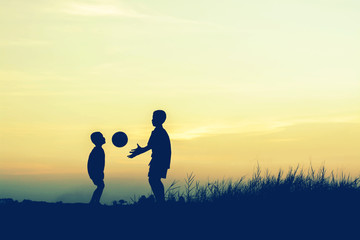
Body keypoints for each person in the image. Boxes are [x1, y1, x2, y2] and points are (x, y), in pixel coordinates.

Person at [128, 110, 171, 203]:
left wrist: (138, 152)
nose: (152, 120)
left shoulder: (159, 132)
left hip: (159, 160)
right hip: (159, 159)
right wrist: (139, 151)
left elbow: (150, 146)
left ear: (160, 119)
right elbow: (150, 146)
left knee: (154, 179)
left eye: (154, 118)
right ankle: (160, 201)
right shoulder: (158, 131)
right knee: (154, 179)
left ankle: (161, 201)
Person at [87, 132, 106, 206]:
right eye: (102, 137)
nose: (104, 138)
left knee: (100, 186)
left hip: (95, 172)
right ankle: (94, 202)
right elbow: (96, 164)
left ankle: (93, 202)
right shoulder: (98, 150)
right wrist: (99, 172)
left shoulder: (98, 149)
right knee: (101, 186)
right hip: (95, 172)